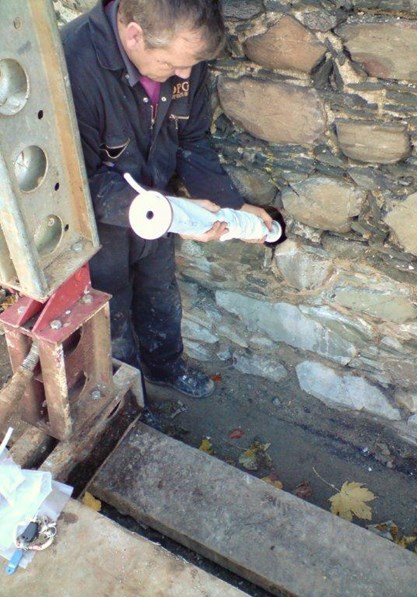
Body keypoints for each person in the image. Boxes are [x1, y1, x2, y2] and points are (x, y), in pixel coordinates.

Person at [61, 0, 272, 399]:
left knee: (160, 289)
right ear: (134, 35)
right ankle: (126, 396)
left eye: (191, 64)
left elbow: (191, 139)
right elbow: (76, 181)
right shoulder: (72, 62)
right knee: (111, 310)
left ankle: (165, 367)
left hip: (159, 205)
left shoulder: (183, 55)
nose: (185, 75)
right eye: (173, 64)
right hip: (98, 220)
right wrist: (173, 212)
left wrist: (231, 205)